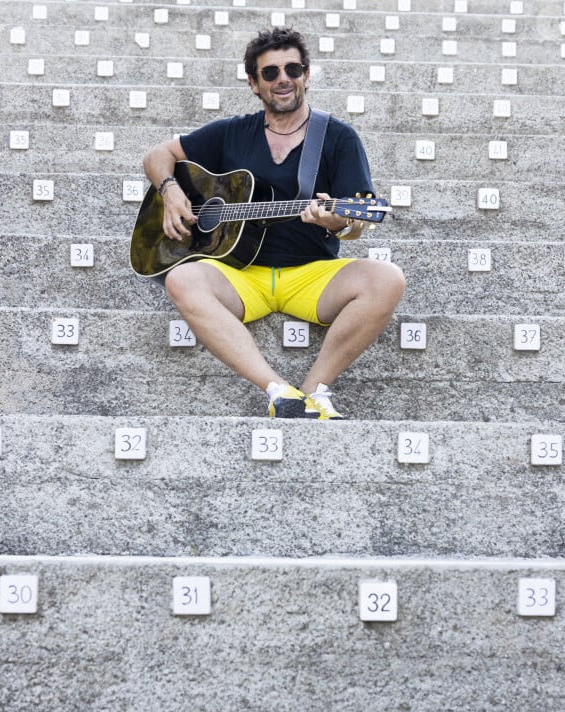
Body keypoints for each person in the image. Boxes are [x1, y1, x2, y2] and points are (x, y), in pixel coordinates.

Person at [142, 26, 405, 419]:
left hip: (311, 274)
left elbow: (355, 226)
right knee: (181, 279)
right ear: (253, 83)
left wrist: (335, 223)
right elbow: (157, 154)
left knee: (388, 279)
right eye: (270, 73)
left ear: (306, 76)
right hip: (241, 275)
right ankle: (279, 391)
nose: (283, 79)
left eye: (293, 70)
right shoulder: (232, 132)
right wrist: (170, 192)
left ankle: (315, 390)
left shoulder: (338, 138)